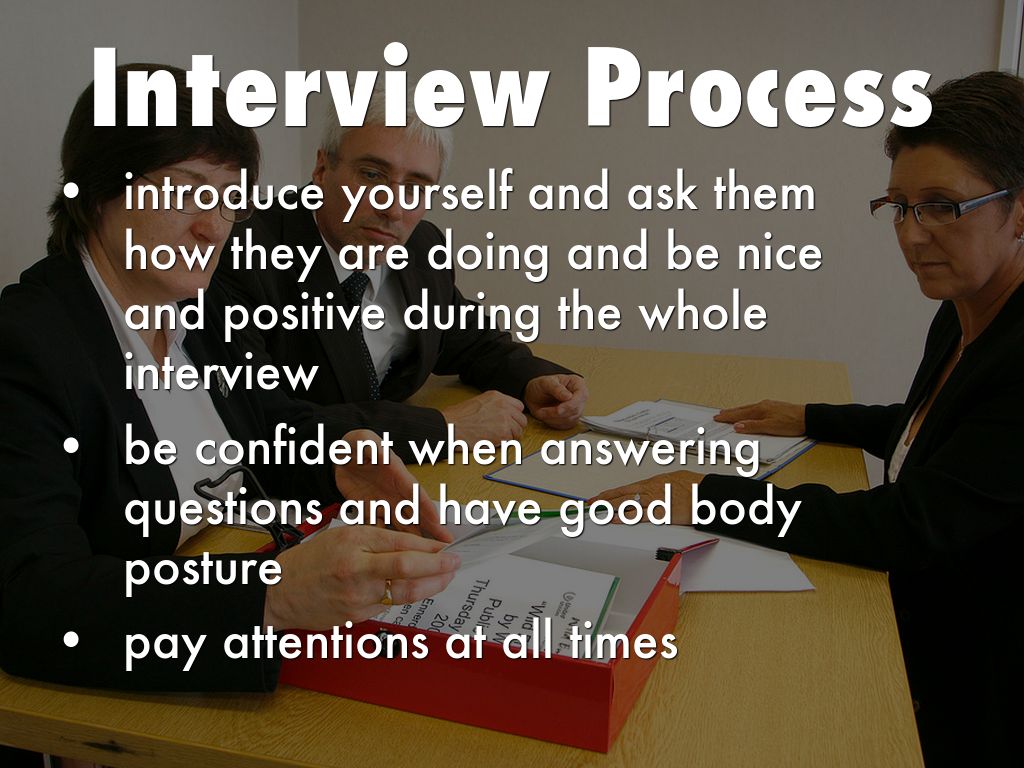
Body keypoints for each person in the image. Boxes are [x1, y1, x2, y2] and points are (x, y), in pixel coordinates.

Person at [593, 71, 1024, 765]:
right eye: (900, 207)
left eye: (942, 207)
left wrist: (707, 496)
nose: (912, 235)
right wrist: (814, 416)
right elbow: (941, 432)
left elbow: (909, 525)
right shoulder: (965, 307)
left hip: (975, 690)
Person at [0, 64, 460, 694]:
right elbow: (31, 602)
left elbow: (263, 425)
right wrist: (271, 596)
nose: (214, 227)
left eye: (227, 199)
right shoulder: (26, 346)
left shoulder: (199, 307)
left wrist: (338, 461)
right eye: (185, 191)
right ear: (99, 188)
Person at [214, 91, 588, 456]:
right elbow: (266, 422)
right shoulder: (241, 254)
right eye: (372, 175)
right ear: (323, 168)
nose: (393, 209)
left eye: (415, 187)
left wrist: (532, 379)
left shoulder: (422, 245)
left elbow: (468, 340)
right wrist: (442, 428)